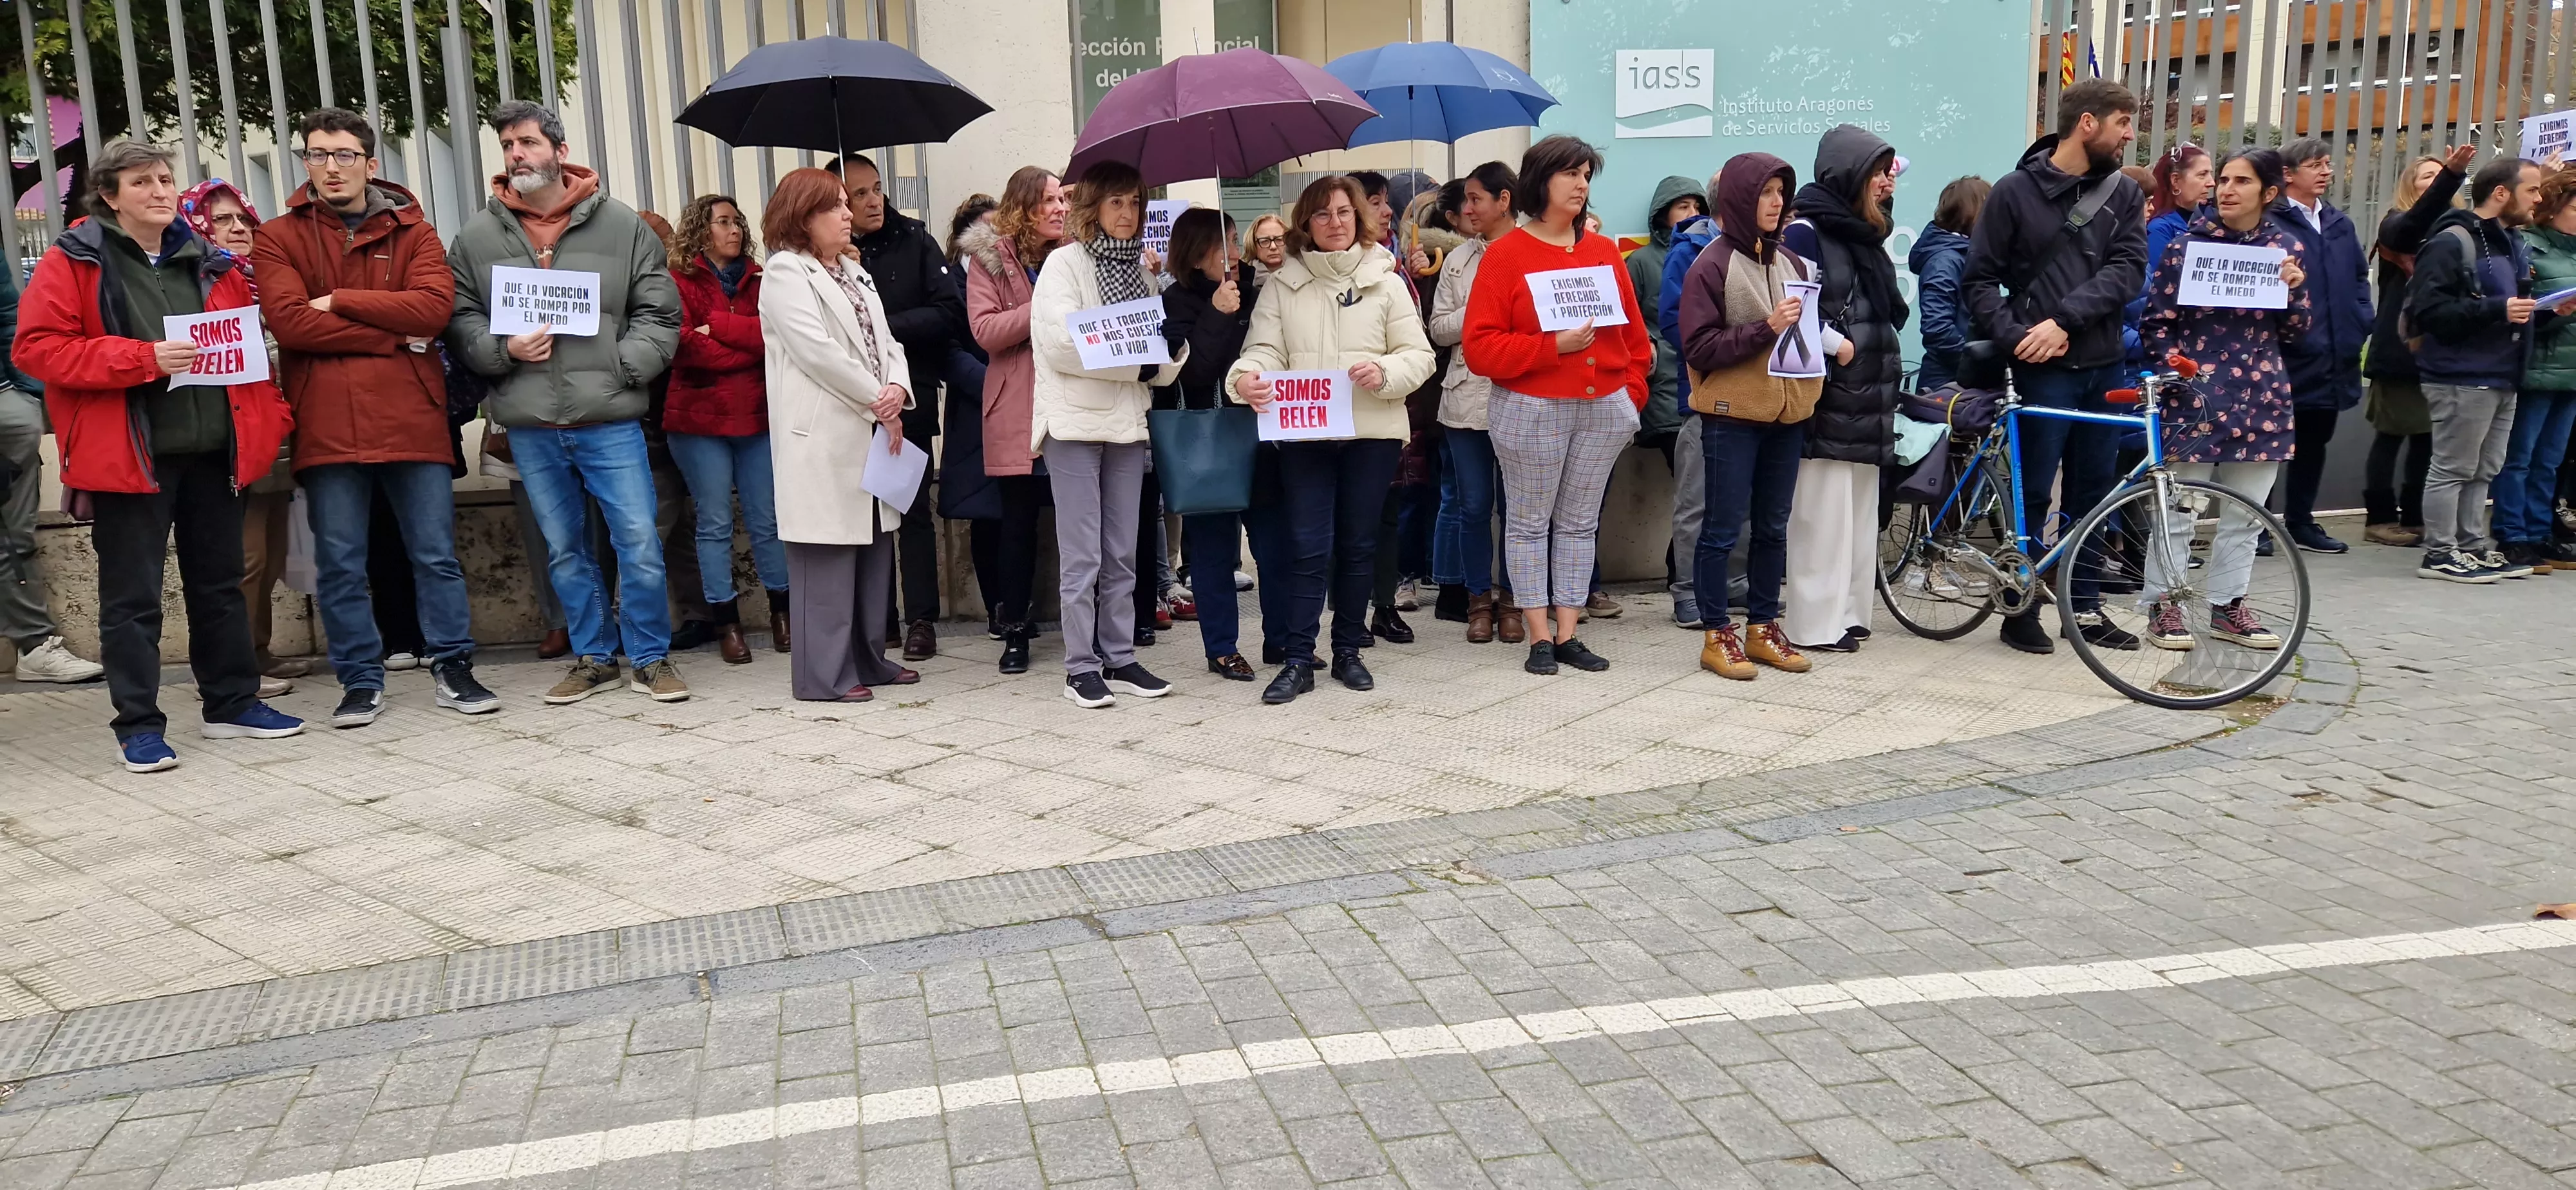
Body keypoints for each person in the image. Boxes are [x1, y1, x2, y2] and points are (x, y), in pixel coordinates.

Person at [17, 140, 305, 770]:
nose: (159, 190)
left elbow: (246, 355)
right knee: (132, 599)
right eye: (141, 182)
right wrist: (141, 359)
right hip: (130, 457)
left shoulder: (212, 261)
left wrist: (269, 421)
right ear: (110, 196)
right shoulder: (74, 261)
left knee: (220, 586)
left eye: (166, 179)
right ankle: (139, 725)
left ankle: (231, 704)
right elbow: (38, 350)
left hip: (213, 454)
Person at [254, 107, 494, 728]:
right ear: (305, 163)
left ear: (369, 163)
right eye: (317, 155)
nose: (330, 168)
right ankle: (360, 679)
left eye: (343, 155)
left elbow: (432, 312)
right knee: (340, 560)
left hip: (411, 415)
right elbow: (288, 323)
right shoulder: (278, 236)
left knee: (434, 554)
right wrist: (389, 333)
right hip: (327, 420)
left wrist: (338, 301)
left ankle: (453, 664)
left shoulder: (416, 232)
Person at [445, 100, 687, 702]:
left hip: (608, 414)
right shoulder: (478, 234)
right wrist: (503, 350)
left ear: (559, 150)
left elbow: (660, 311)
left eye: (527, 142)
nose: (517, 154)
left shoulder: (622, 225)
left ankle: (652, 657)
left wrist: (623, 369)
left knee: (638, 540)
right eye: (507, 145)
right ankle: (595, 656)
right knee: (565, 551)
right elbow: (460, 317)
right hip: (531, 421)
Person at [1229, 175, 1436, 702]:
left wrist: (1385, 372)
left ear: (1359, 217)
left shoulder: (1387, 281)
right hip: (1306, 436)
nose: (1335, 223)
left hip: (1371, 433)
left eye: (1344, 212)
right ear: (1306, 223)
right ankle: (1299, 658)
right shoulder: (1283, 284)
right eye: (1322, 214)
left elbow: (1420, 356)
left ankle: (1348, 650)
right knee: (1306, 546)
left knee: (1358, 544)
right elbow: (1264, 351)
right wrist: (1245, 378)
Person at [1961, 79, 2147, 654]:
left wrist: (2065, 320)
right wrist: (2018, 338)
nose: (2129, 136)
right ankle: (2018, 606)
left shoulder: (2123, 194)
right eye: (2122, 124)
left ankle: (2084, 608)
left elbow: (2128, 270)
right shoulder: (2016, 191)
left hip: (2102, 363)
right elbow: (1978, 280)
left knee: (2093, 493)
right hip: (2039, 367)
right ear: (2086, 123)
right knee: (2033, 490)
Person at [1460, 135, 1653, 676]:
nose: (1581, 183)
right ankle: (1538, 636)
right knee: (1527, 524)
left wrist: (1629, 394)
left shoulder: (1603, 251)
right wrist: (1552, 347)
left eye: (1587, 174)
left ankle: (1568, 632)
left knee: (1579, 525)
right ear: (1540, 180)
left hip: (1601, 410)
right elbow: (1480, 347)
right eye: (1570, 173)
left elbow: (1635, 340)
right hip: (1531, 407)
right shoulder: (1506, 255)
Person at [754, 168, 920, 701]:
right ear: (803, 217)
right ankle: (823, 676)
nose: (850, 215)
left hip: (870, 428)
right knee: (826, 555)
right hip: (823, 436)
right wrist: (880, 400)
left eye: (849, 205)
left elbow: (888, 342)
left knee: (872, 551)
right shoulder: (785, 273)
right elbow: (817, 353)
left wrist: (896, 387)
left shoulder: (855, 272)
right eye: (836, 207)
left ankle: (868, 659)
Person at [2136, 148, 2311, 647]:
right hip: (2197, 397)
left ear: (2269, 193)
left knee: (2247, 513)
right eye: (2224, 179)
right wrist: (2179, 369)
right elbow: (2156, 324)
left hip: (2262, 396)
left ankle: (2228, 606)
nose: (2226, 189)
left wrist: (2294, 291)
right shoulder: (2186, 247)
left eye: (2242, 181)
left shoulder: (2286, 250)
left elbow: (2300, 332)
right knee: (2179, 508)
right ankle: (2164, 604)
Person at [1028, 160, 1183, 709]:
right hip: (1072, 423)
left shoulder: (1144, 271)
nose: (1128, 213)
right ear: (1092, 207)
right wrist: (1140, 365)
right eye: (1117, 202)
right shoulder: (1063, 265)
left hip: (1125, 423)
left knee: (1122, 551)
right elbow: (1062, 344)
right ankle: (1080, 666)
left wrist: (1175, 342)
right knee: (1082, 554)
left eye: (1135, 203)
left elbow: (1158, 360)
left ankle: (1118, 656)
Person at [1677, 151, 1835, 682]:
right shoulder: (1712, 263)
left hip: (1786, 415)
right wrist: (1765, 328)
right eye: (1766, 193)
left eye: (1780, 193)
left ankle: (1763, 627)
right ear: (1740, 199)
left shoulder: (1788, 261)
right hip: (1731, 415)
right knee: (1721, 530)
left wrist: (1810, 382)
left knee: (1773, 527)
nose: (1776, 202)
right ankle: (1716, 632)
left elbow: (1806, 336)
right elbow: (1698, 348)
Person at [2412, 155, 2573, 582]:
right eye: (2532, 190)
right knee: (2453, 466)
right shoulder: (2453, 240)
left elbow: (2514, 314)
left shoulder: (2512, 241)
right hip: (2461, 375)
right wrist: (2498, 309)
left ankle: (2471, 546)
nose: (2539, 198)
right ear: (2501, 193)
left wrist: (2553, 312)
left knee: (2485, 468)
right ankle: (2440, 552)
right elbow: (2428, 312)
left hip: (2502, 372)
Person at [837, 154, 966, 662]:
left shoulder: (914, 239)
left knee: (910, 509)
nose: (872, 201)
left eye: (876, 189)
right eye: (858, 194)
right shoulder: (829, 255)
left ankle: (921, 621)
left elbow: (949, 312)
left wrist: (882, 325)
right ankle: (877, 618)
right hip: (850, 402)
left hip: (907, 394)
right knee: (866, 514)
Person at [1782, 125, 1905, 654]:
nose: (1885, 181)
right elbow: (1793, 306)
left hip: (1868, 392)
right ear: (1850, 173)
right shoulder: (1807, 229)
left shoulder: (1862, 232)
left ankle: (1851, 614)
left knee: (1857, 513)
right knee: (1822, 514)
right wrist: (1838, 346)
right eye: (1877, 171)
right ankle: (1813, 623)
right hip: (1832, 390)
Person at [175, 178, 298, 701]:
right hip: (231, 436)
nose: (237, 229)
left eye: (242, 218)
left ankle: (260, 648)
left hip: (276, 430)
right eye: (221, 219)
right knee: (241, 556)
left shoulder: (264, 278)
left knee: (271, 554)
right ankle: (236, 662)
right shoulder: (196, 281)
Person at [665, 193, 788, 664]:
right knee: (713, 524)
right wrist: (746, 346)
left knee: (768, 520)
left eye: (738, 222)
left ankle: (783, 614)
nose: (735, 230)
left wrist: (716, 325)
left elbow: (775, 339)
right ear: (701, 230)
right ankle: (727, 625)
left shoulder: (764, 279)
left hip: (757, 417)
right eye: (723, 222)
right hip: (699, 423)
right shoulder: (678, 281)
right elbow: (684, 347)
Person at [961, 167, 1068, 675]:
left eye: (1062, 200)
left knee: (1078, 525)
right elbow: (984, 331)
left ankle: (1089, 628)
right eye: (1048, 200)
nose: (1060, 208)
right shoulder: (990, 260)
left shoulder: (1077, 255)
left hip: (1072, 403)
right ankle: (1015, 632)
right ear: (1025, 207)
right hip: (1017, 408)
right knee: (1017, 527)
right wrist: (1042, 309)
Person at [1155, 209, 1258, 681]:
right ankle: (1222, 647)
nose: (1237, 254)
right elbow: (1192, 374)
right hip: (1210, 441)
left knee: (1276, 542)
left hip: (1263, 432)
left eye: (1238, 242)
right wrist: (1218, 316)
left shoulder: (1255, 289)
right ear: (1200, 254)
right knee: (1214, 552)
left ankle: (1281, 637)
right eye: (1228, 244)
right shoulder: (1175, 302)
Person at [1426, 162, 1519, 644]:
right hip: (1464, 401)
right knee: (1473, 505)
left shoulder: (1532, 250)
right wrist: (1480, 306)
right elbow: (1439, 329)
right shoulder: (1459, 261)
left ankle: (1515, 600)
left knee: (1519, 507)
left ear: (1504, 201)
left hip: (1521, 393)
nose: (1466, 209)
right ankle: (1477, 599)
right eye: (1465, 200)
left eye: (1477, 199)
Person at [2363, 148, 2474, 547]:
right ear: (2410, 188)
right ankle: (2378, 516)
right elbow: (2412, 226)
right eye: (2426, 177)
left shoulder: (2459, 231)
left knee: (2428, 439)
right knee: (2391, 434)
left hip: (2441, 352)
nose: (2434, 181)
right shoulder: (2396, 225)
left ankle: (2415, 515)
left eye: (2438, 176)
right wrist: (2452, 175)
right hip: (2399, 352)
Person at [0, 262, 102, 685]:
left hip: (7, 405)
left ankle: (35, 647)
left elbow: (10, 315)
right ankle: (35, 642)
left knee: (14, 536)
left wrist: (28, 394)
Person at [2269, 138, 2370, 556]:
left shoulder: (2339, 223)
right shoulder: (2271, 224)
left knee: (2314, 441)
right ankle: (2258, 526)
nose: (2326, 171)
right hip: (2287, 355)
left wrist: (2363, 320)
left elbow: (2360, 279)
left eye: (2328, 164)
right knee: (2270, 445)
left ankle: (2301, 523)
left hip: (2334, 353)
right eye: (2316, 164)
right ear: (2288, 174)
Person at [2504, 168, 2576, 572]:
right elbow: (2520, 307)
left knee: (2551, 460)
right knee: (2521, 457)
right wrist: (2557, 311)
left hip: (2572, 371)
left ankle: (2539, 532)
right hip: (2540, 365)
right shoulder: (2529, 245)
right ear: (2552, 208)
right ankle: (2513, 535)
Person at [940, 194, 1004, 630]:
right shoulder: (950, 284)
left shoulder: (1015, 274)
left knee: (1018, 507)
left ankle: (1016, 603)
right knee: (985, 512)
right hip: (976, 405)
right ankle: (998, 606)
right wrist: (992, 384)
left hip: (1020, 402)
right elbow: (947, 347)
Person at [1909, 176, 1987, 392]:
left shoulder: (1965, 256)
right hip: (1947, 387)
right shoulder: (1946, 260)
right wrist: (1979, 364)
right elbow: (1937, 328)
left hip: (1960, 382)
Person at [1244, 214, 1289, 288]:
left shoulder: (1301, 272)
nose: (1273, 247)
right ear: (1253, 245)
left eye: (1279, 240)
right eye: (1265, 241)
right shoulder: (1245, 278)